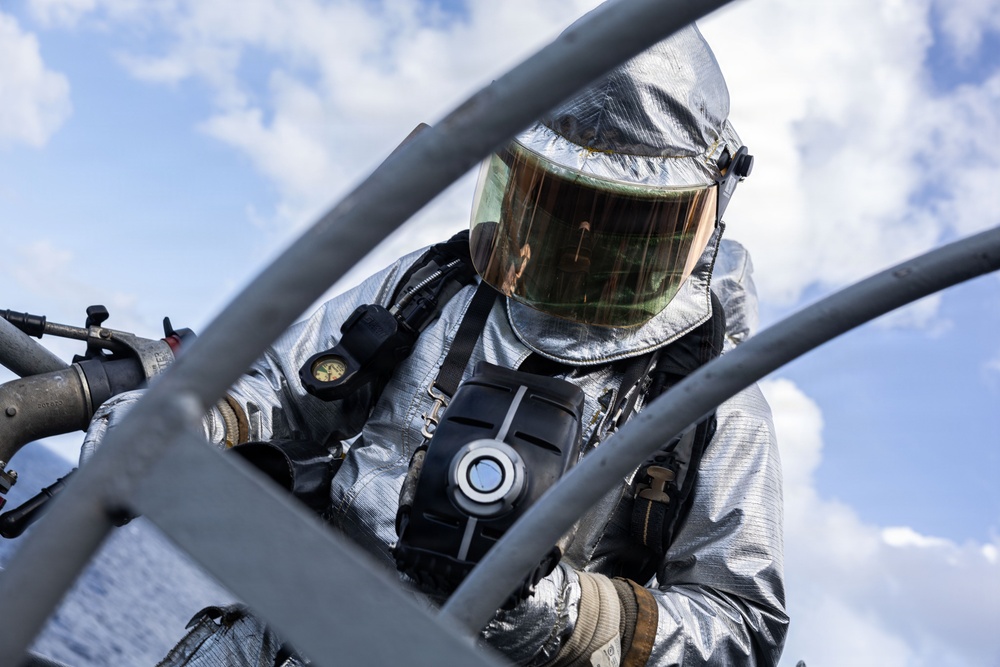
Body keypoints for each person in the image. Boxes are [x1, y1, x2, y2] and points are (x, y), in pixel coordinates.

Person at [83, 22, 787, 667]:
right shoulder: (435, 286)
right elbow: (283, 391)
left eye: (615, 221)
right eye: (557, 201)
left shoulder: (713, 400)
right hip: (299, 632)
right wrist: (186, 422)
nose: (577, 243)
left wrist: (572, 617)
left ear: (695, 215)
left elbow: (741, 624)